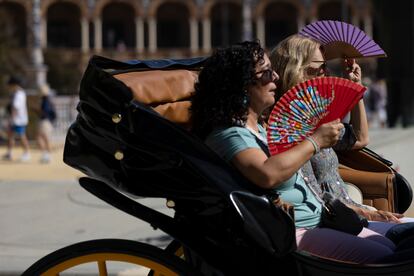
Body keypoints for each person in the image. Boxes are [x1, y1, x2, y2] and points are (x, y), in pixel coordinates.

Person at [190, 40, 411, 263]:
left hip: (324, 219)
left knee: (396, 245)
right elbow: (267, 173)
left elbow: (359, 138)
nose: (274, 77)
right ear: (242, 84)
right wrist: (315, 141)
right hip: (293, 232)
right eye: (266, 73)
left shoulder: (263, 128)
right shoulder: (230, 134)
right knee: (388, 256)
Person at [270, 34, 414, 235]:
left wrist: (355, 88)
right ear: (295, 70)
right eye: (318, 68)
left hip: (351, 211)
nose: (326, 73)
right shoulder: (284, 129)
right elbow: (314, 194)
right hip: (336, 219)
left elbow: (359, 138)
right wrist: (367, 214)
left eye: (325, 66)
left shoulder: (314, 118)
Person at [2, 76, 30, 162]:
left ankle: (26, 153)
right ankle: (9, 153)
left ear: (14, 85)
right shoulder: (17, 93)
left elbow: (15, 108)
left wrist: (11, 119)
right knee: (10, 135)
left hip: (19, 120)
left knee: (21, 136)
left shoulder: (19, 94)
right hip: (16, 119)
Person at [36, 84, 55, 163]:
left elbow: (44, 112)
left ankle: (46, 155)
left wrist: (37, 110)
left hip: (44, 121)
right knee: (46, 139)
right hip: (48, 121)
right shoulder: (49, 100)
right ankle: (47, 155)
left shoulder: (44, 101)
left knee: (40, 138)